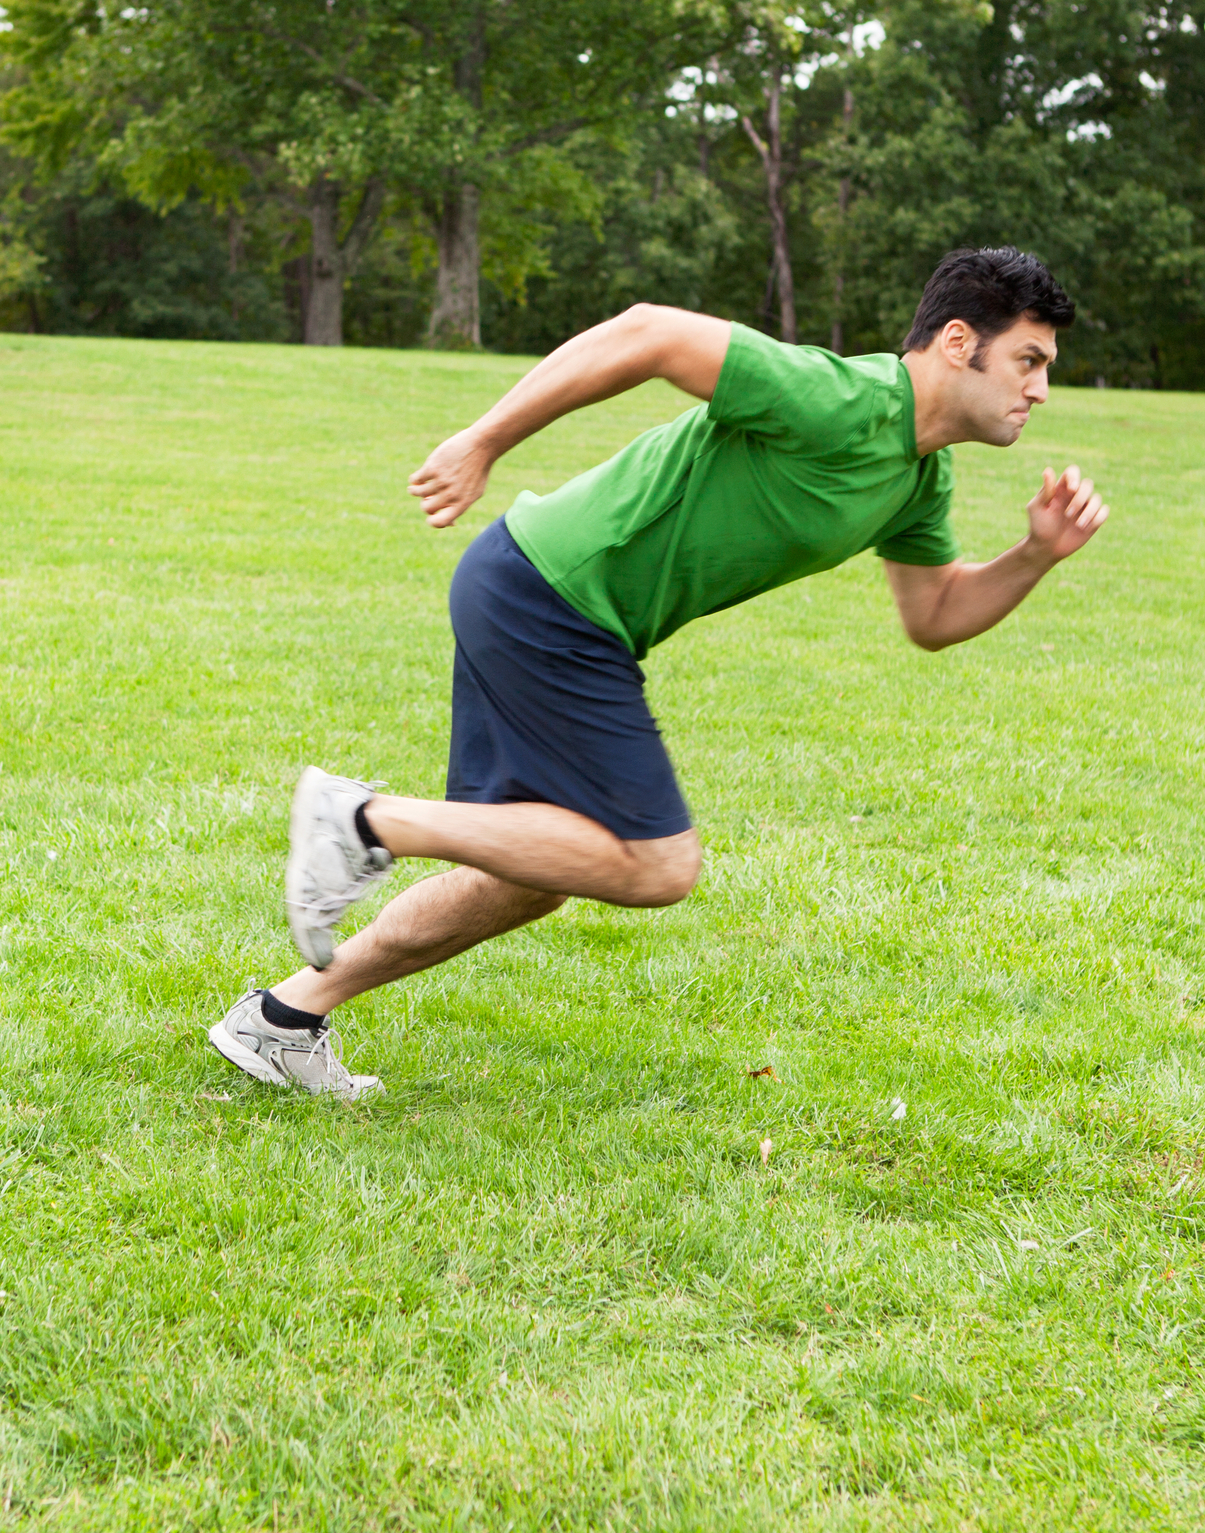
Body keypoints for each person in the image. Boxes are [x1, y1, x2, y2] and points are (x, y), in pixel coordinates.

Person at [208, 247, 1108, 1099]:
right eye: (1028, 360)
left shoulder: (919, 476)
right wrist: (483, 441)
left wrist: (1034, 555)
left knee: (532, 873)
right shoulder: (842, 397)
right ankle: (363, 820)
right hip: (556, 594)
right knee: (659, 864)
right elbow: (649, 332)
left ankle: (285, 1017)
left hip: (549, 596)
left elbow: (936, 614)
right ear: (960, 342)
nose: (1038, 388)